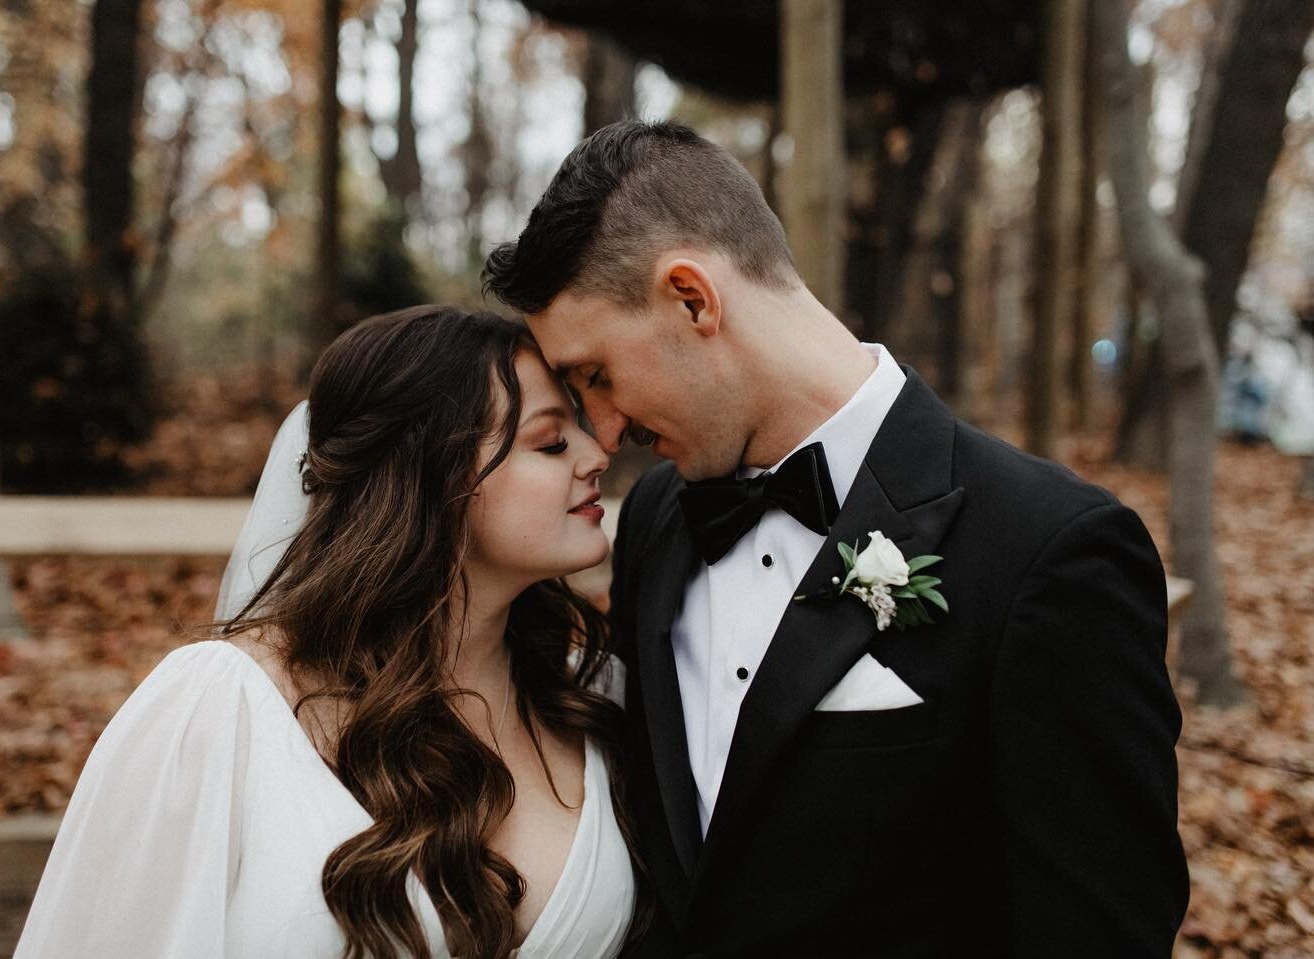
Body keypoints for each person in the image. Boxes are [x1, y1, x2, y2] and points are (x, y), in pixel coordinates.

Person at [484, 120, 1189, 958]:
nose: (604, 428)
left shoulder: (1049, 550)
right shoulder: (656, 521)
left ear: (692, 298)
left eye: (598, 374)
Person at [14, 306, 643, 959]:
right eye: (550, 441)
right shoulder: (219, 708)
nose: (599, 454)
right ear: (433, 477)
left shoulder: (593, 695)